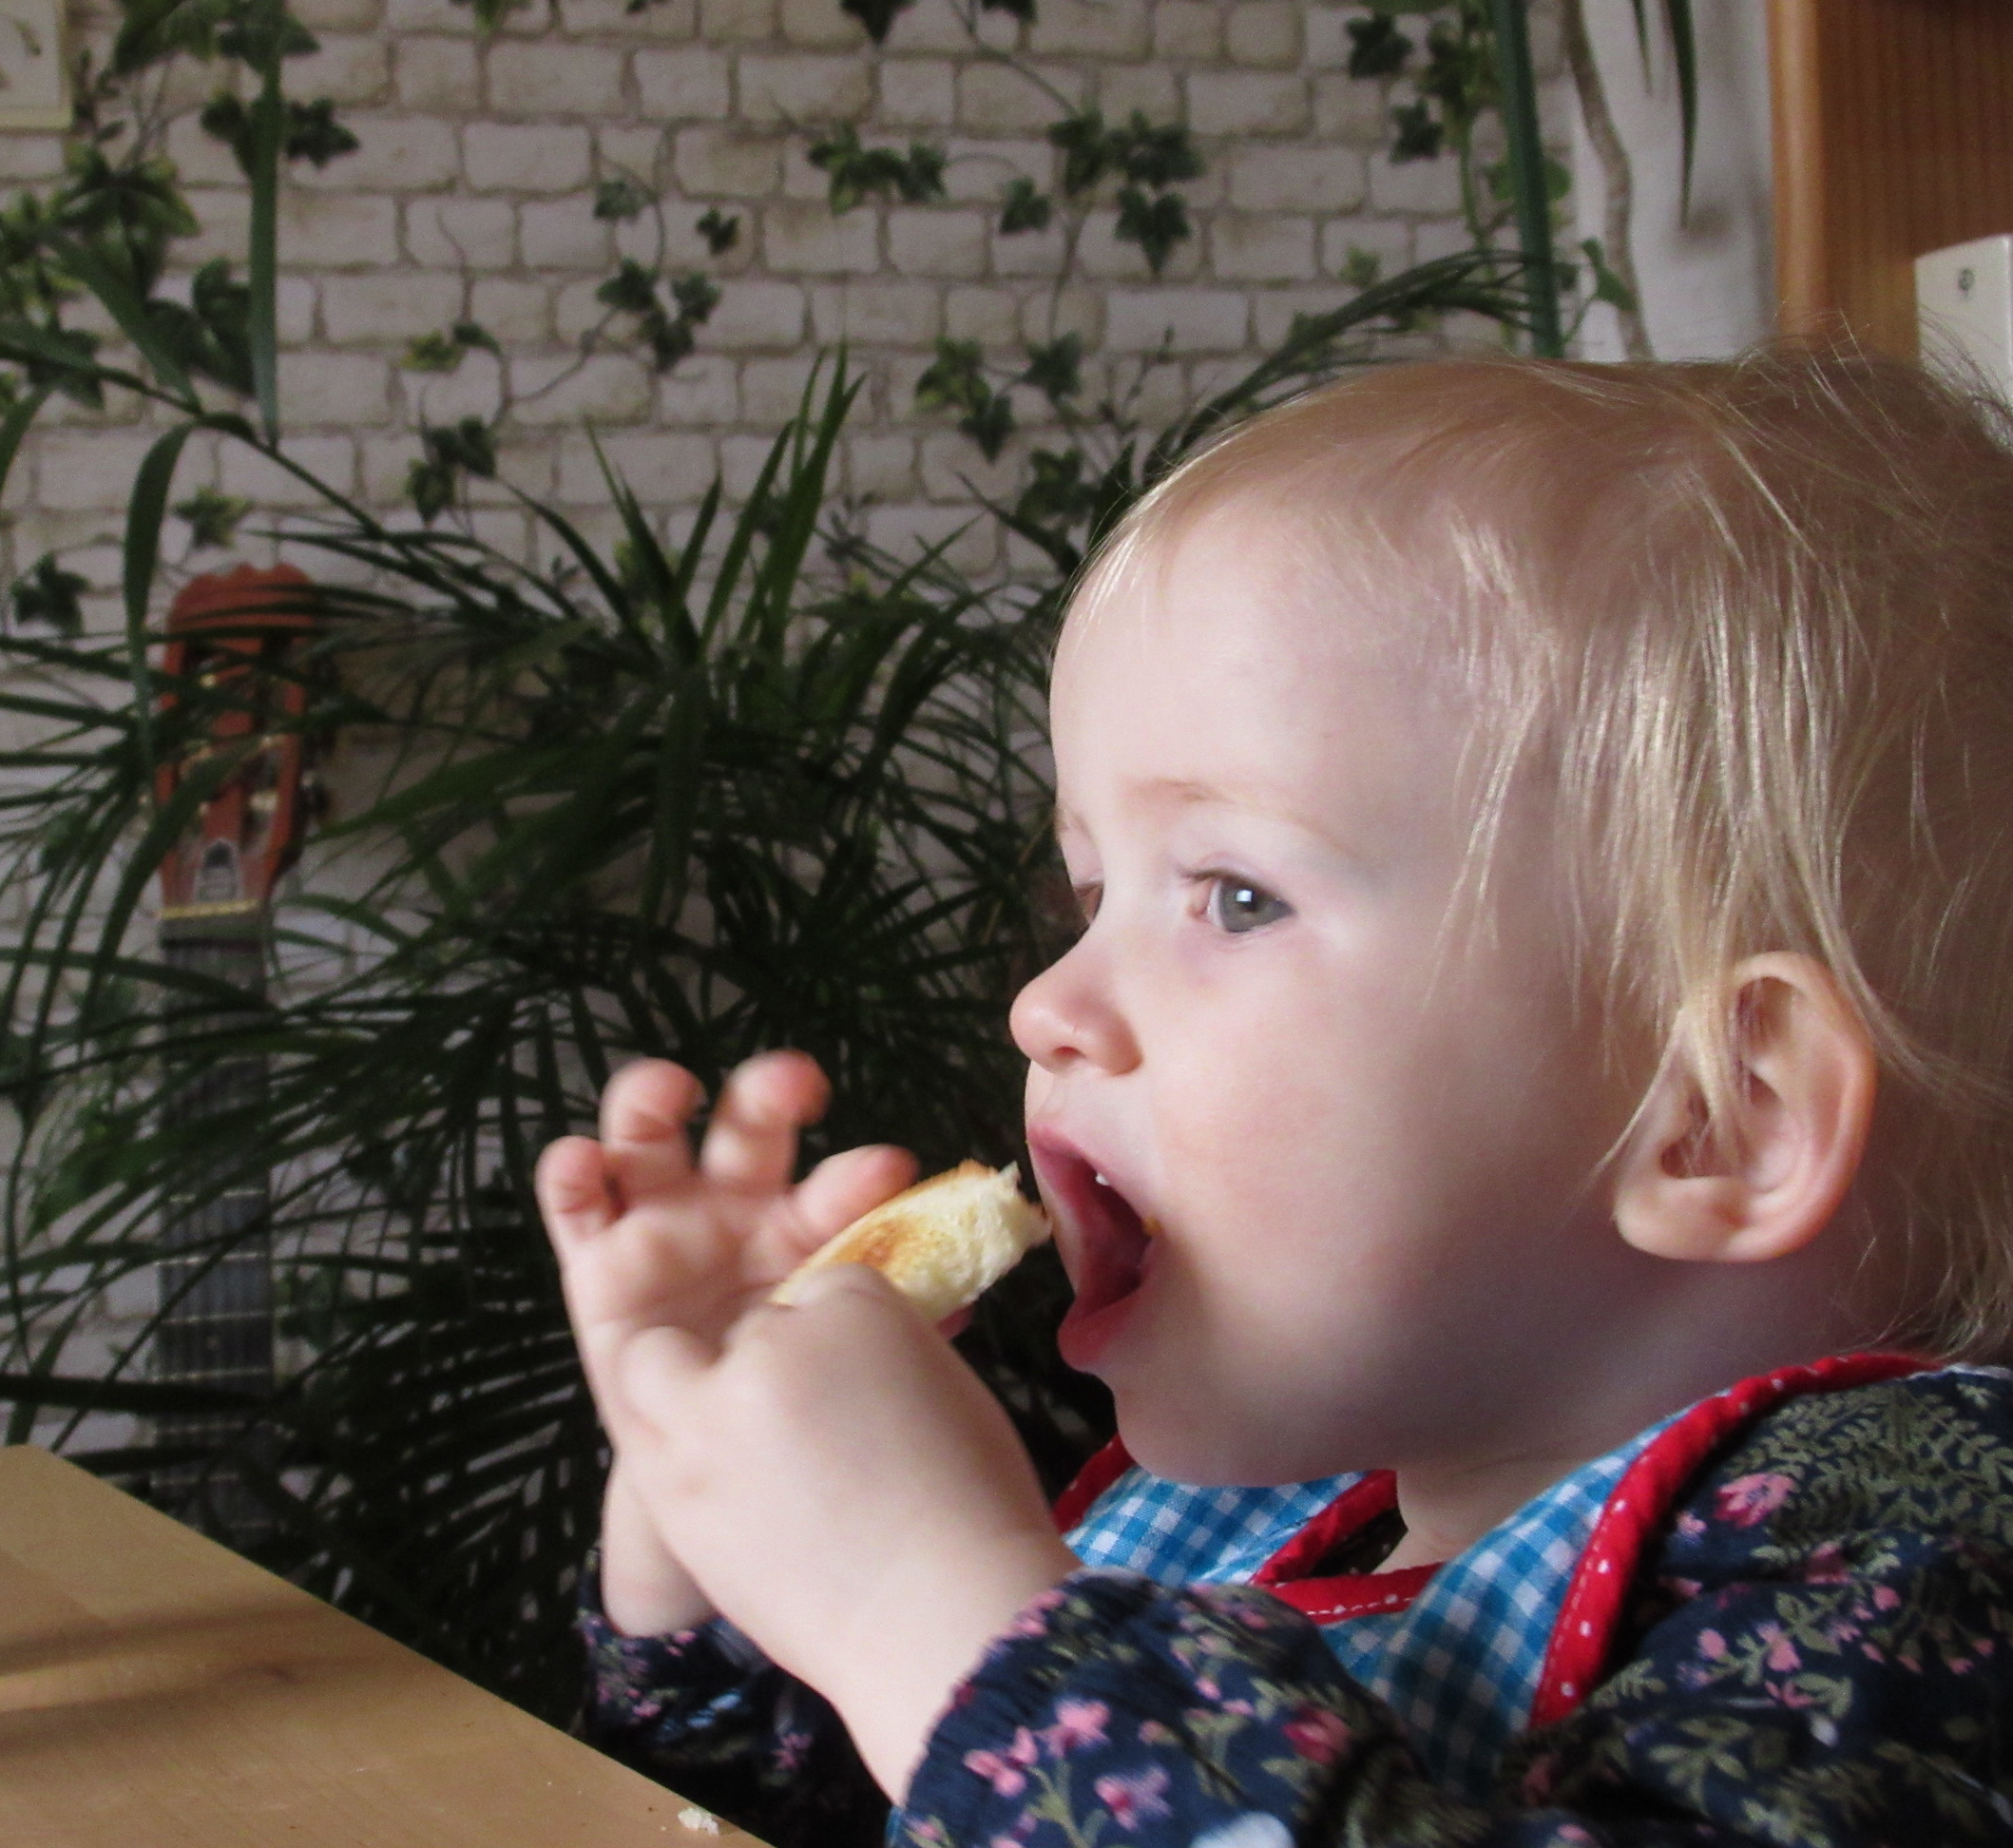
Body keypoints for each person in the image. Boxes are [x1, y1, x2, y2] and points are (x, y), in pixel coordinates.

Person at [536, 347, 2013, 1848]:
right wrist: (718, 1555)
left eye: (1235, 896)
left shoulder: (1915, 1573)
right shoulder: (1279, 1512)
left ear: (1718, 1115)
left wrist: (936, 1626)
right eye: (1091, 894)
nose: (1045, 1005)